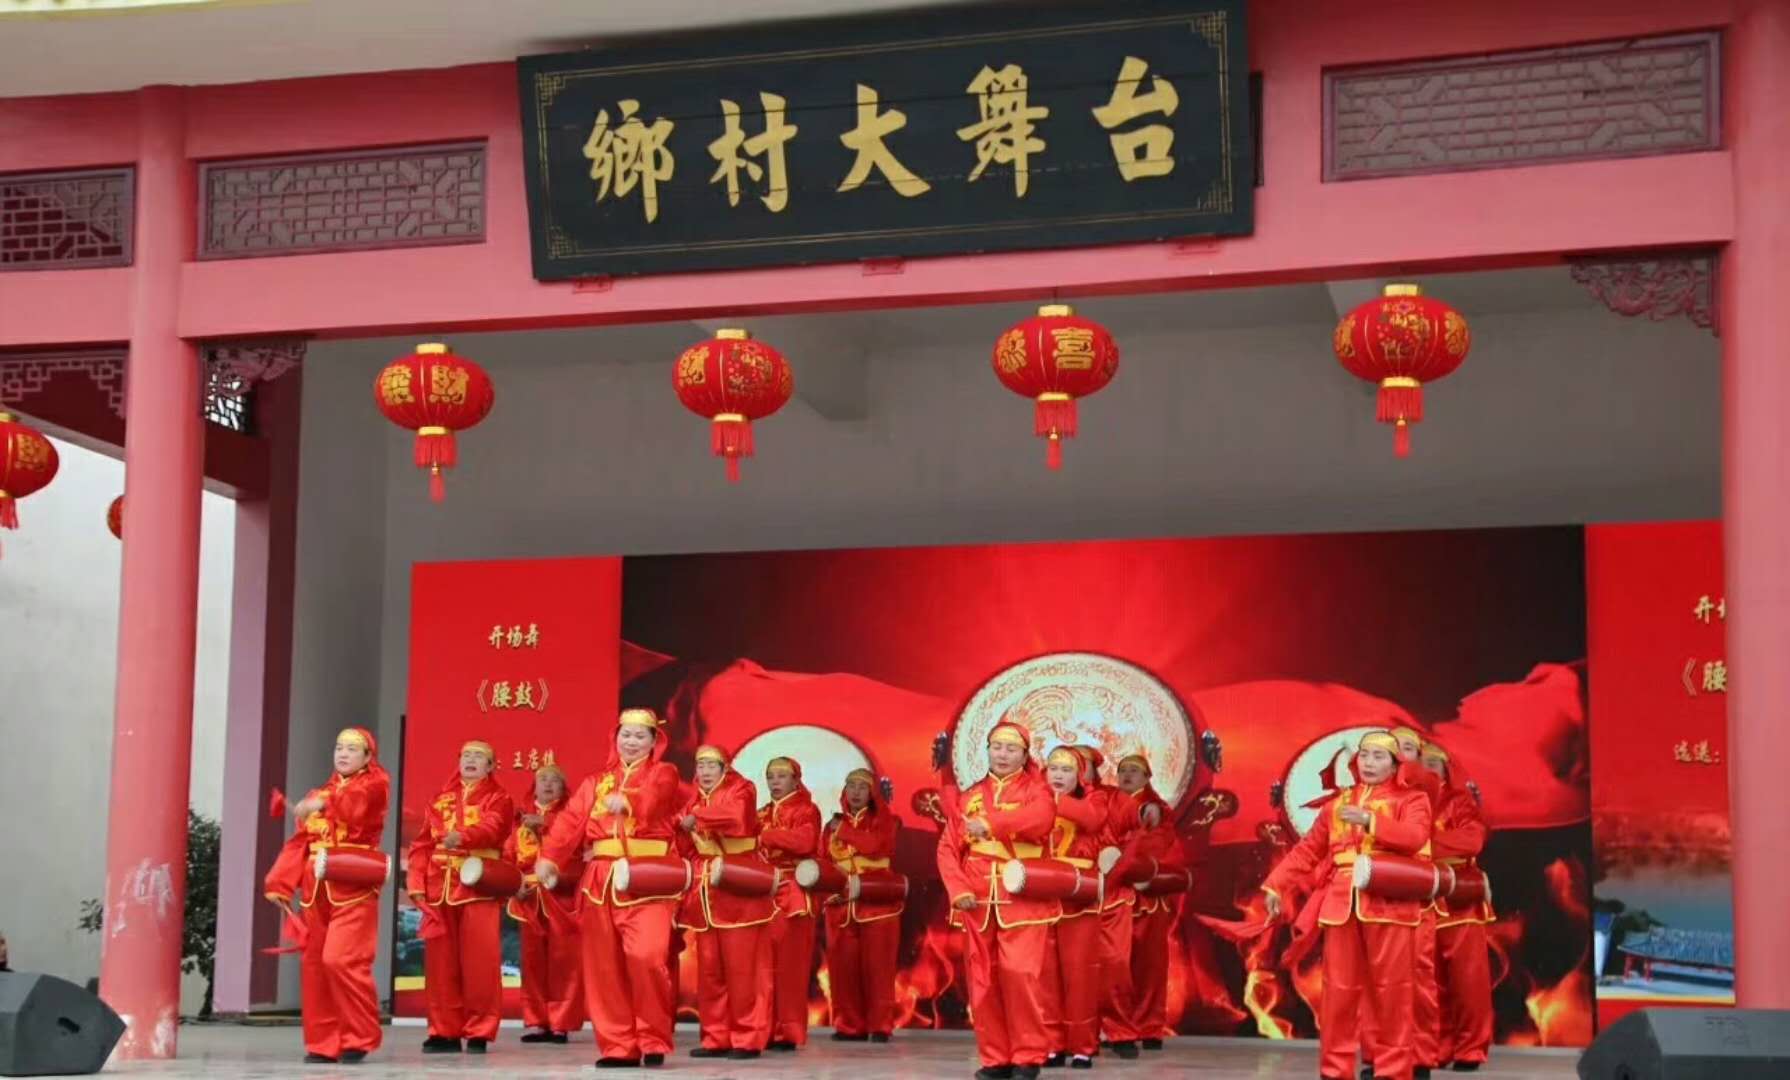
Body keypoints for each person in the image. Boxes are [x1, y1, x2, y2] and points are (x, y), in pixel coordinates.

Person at [1263, 730, 1433, 1080]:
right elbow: (1308, 850)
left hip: (1389, 901)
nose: (1369, 763)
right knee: (1338, 994)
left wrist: (1372, 822)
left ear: (1395, 765)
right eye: (1364, 755)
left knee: (1392, 992)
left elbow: (1416, 837)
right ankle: (1335, 1071)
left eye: (1378, 757)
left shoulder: (1412, 800)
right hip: (1342, 905)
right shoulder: (1337, 805)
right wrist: (1275, 884)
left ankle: (1393, 1071)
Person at [538, 708, 683, 1069]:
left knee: (647, 957)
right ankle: (618, 1046)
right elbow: (570, 821)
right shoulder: (596, 782)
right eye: (625, 735)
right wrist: (550, 857)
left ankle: (652, 1038)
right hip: (601, 880)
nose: (631, 742)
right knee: (604, 968)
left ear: (654, 742)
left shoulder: (664, 773)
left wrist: (630, 803)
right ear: (615, 738)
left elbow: (658, 797)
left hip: (646, 878)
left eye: (639, 736)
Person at [937, 721, 1060, 1080]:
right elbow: (948, 848)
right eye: (997, 747)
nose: (1003, 755)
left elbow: (1040, 820)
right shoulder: (970, 795)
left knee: (1020, 975)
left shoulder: (1037, 790)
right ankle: (996, 1058)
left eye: (1011, 749)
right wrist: (958, 889)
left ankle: (1028, 1055)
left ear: (1024, 755)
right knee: (983, 980)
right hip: (977, 899)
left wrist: (991, 823)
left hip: (1020, 895)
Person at [262, 726, 389, 1064]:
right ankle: (323, 1043)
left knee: (342, 960)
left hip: (353, 884)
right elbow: (300, 843)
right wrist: (279, 883)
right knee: (316, 966)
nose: (343, 754)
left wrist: (324, 802)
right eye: (339, 747)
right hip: (315, 888)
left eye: (352, 749)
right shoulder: (318, 793)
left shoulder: (376, 784)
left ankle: (359, 1037)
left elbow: (357, 806)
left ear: (367, 757)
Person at [405, 739, 516, 1055]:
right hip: (440, 887)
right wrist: (416, 883)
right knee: (440, 965)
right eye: (466, 755)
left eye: (479, 757)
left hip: (477, 885)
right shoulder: (440, 799)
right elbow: (422, 845)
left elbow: (493, 829)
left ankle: (479, 1030)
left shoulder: (499, 798)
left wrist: (463, 837)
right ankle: (444, 1030)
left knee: (480, 963)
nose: (470, 760)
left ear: (490, 766)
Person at [677, 744, 776, 1060]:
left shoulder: (741, 789)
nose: (705, 772)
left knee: (743, 972)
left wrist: (695, 817)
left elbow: (737, 818)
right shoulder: (693, 798)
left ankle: (747, 1038)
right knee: (710, 973)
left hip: (739, 887)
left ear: (725, 768)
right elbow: (685, 842)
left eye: (711, 766)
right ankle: (715, 1037)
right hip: (708, 892)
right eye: (700, 766)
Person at [1422, 743, 1493, 1073]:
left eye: (1433, 764)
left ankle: (1471, 1049)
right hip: (1421, 897)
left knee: (1468, 981)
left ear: (1446, 770)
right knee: (1430, 982)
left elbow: (1472, 840)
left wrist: (1417, 845)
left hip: (1460, 896)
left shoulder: (1460, 801)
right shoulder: (1404, 803)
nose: (1427, 770)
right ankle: (1440, 1047)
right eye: (1420, 764)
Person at [821, 767, 903, 1044]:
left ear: (872, 793)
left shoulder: (886, 820)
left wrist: (843, 831)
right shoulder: (831, 825)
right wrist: (825, 891)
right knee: (842, 968)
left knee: (878, 968)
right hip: (841, 903)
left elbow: (875, 847)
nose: (855, 792)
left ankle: (880, 1025)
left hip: (877, 902)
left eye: (862, 787)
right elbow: (823, 860)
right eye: (851, 786)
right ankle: (849, 1025)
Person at [1107, 752, 1182, 1057]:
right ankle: (1117, 1026)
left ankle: (1149, 1027)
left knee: (1149, 965)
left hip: (1145, 896)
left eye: (1134, 771)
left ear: (1148, 777)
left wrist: (1122, 856)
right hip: (1115, 894)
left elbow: (1157, 845)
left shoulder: (1157, 809)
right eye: (1123, 770)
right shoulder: (1108, 805)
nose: (1127, 775)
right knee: (1115, 965)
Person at [504, 762, 584, 1044]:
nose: (548, 784)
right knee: (532, 962)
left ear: (563, 788)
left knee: (563, 961)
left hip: (561, 897)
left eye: (554, 780)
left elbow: (577, 848)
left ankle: (560, 1023)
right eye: (543, 780)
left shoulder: (570, 815)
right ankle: (537, 1022)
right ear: (534, 787)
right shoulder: (520, 819)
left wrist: (546, 824)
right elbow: (509, 855)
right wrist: (514, 885)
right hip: (529, 897)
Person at [1040, 746, 1107, 1069]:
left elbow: (1092, 820)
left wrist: (1051, 801)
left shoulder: (1096, 799)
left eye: (1066, 770)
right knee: (1046, 975)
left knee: (1080, 974)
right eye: (1052, 768)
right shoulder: (1035, 800)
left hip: (1079, 896)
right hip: (1043, 896)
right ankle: (1053, 1044)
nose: (1057, 775)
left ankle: (1083, 1045)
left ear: (1079, 776)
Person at [757, 756, 822, 1052]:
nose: (775, 781)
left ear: (796, 780)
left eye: (781, 776)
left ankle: (788, 1031)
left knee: (790, 966)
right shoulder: (761, 812)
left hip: (793, 892)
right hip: (764, 891)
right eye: (770, 776)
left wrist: (767, 836)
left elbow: (805, 842)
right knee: (763, 967)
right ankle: (764, 1028)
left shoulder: (806, 810)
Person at [1390, 725, 1444, 1078]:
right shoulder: (1365, 793)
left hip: (1415, 894)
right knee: (1378, 984)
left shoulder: (1425, 788)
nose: (1399, 753)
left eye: (1406, 748)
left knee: (1419, 977)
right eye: (1393, 747)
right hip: (1377, 896)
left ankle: (1421, 1056)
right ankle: (1381, 1057)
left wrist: (1401, 763)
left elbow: (1420, 780)